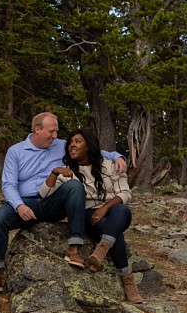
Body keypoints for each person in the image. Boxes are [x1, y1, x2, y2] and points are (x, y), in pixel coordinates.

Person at [0, 113, 126, 294]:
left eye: (56, 131)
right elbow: (8, 185)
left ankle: (75, 248)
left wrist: (118, 157)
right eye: (51, 131)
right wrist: (19, 206)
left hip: (54, 200)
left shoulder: (60, 146)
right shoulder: (16, 151)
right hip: (27, 203)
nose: (55, 135)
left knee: (74, 186)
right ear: (37, 129)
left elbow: (94, 150)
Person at [39, 129, 141, 304]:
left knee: (122, 210)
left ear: (89, 146)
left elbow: (125, 193)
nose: (72, 145)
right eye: (70, 142)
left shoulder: (109, 165)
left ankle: (102, 248)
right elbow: (44, 194)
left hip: (111, 212)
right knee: (116, 233)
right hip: (87, 216)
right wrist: (54, 173)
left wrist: (103, 209)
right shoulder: (69, 171)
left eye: (77, 141)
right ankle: (127, 279)